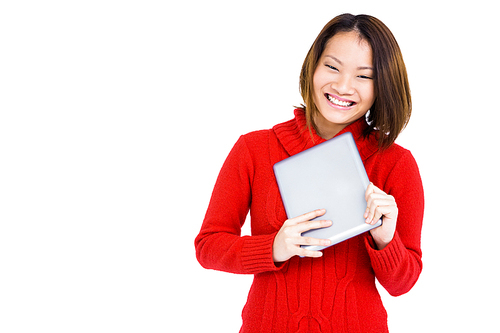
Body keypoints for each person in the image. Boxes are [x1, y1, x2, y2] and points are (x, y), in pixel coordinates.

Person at [195, 13, 424, 333]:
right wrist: (274, 247)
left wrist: (385, 238)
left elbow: (404, 282)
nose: (343, 86)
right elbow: (209, 247)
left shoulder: (396, 163)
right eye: (332, 67)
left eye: (364, 76)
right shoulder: (254, 149)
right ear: (312, 67)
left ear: (382, 86)